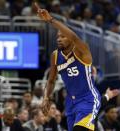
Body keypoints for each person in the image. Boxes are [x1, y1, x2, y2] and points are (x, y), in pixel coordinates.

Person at [34, 2, 101, 131]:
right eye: (57, 37)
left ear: (70, 38)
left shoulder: (82, 51)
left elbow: (75, 37)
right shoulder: (55, 55)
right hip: (70, 102)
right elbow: (51, 80)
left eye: (63, 36)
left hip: (88, 99)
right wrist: (46, 97)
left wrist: (51, 20)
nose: (59, 39)